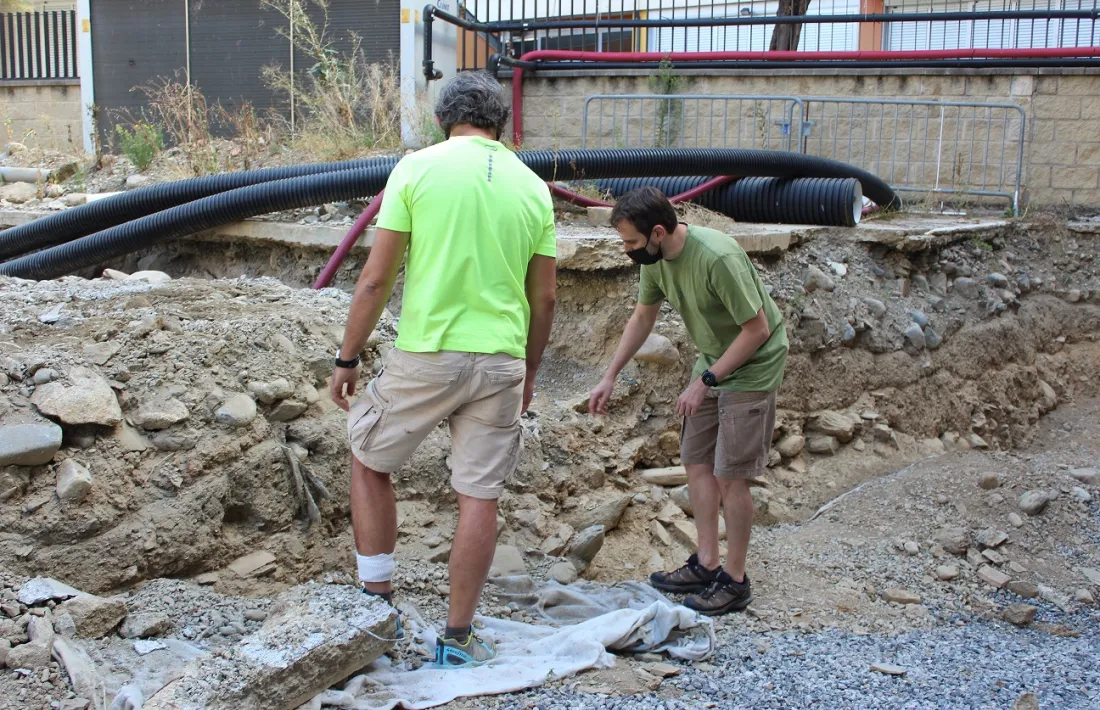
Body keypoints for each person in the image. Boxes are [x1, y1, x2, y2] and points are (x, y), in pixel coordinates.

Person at [329, 71, 557, 667]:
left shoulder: (417, 168)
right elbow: (547, 299)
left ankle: (377, 606)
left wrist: (348, 355)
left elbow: (376, 278)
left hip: (428, 354)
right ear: (500, 124)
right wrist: (529, 373)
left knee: (368, 455)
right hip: (502, 360)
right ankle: (457, 638)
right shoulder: (533, 188)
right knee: (478, 496)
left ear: (442, 120)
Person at [588, 186, 787, 616]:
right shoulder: (656, 260)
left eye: (631, 243)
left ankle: (734, 581)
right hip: (714, 359)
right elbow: (643, 317)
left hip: (753, 364)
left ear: (658, 232)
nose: (627, 251)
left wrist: (707, 381)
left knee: (730, 475)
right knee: (697, 462)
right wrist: (609, 375)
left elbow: (757, 331)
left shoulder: (718, 258)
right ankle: (706, 562)